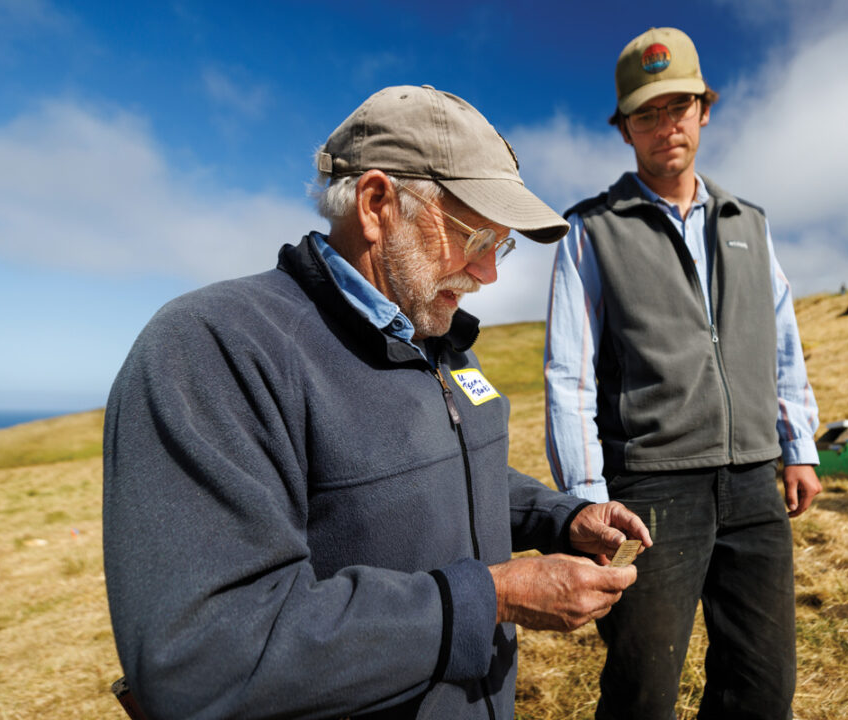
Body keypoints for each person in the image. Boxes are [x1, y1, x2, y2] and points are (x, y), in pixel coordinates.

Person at [102, 85, 653, 720]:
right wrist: (490, 599)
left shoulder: (442, 342)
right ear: (376, 203)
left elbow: (461, 474)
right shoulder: (212, 349)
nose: (490, 274)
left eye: (499, 247)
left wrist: (561, 517)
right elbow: (203, 658)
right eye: (476, 238)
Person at [544, 27, 821, 720]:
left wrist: (800, 448)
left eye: (678, 106)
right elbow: (568, 375)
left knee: (762, 685)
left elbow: (782, 342)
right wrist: (584, 499)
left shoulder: (749, 224)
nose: (665, 125)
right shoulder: (592, 230)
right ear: (625, 129)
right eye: (647, 113)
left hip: (756, 482)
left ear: (705, 109)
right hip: (652, 493)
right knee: (643, 687)